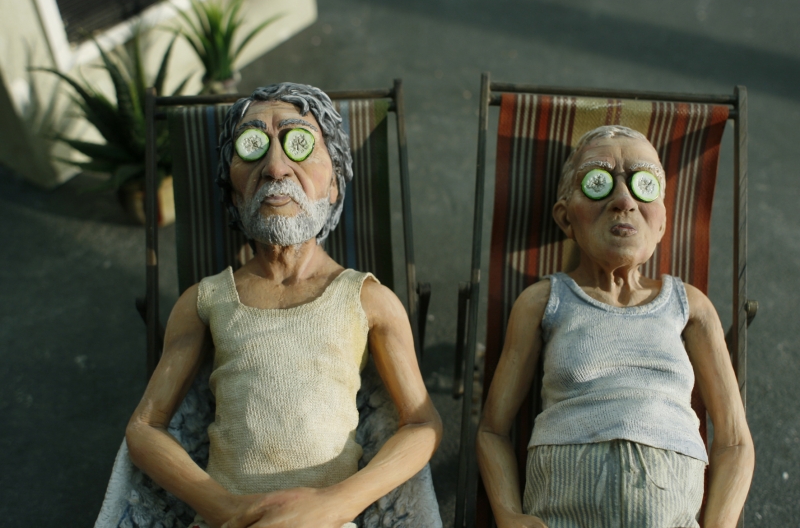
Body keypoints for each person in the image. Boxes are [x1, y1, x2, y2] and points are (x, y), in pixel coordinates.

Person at [125, 83, 442, 528]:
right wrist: (224, 507)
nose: (275, 167)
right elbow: (144, 428)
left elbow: (422, 424)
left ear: (334, 184)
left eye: (299, 143)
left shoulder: (368, 299)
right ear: (233, 193)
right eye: (252, 146)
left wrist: (334, 504)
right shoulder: (204, 300)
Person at [475, 125, 754, 528]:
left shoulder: (690, 306)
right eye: (598, 182)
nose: (624, 200)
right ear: (565, 217)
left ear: (661, 222)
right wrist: (508, 515)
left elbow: (734, 440)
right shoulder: (543, 301)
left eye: (644, 185)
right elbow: (493, 430)